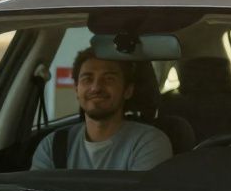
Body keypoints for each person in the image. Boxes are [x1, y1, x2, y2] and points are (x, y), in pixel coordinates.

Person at [31, 48, 172, 171]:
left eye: (109, 79)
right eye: (87, 79)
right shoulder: (53, 146)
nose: (96, 88)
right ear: (76, 89)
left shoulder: (148, 143)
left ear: (128, 90)